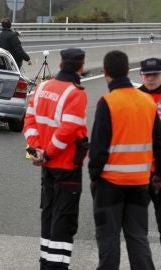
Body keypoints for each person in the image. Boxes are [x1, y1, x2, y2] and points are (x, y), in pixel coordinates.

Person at [88, 50, 161, 270]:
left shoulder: (108, 103)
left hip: (110, 183)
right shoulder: (147, 102)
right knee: (138, 238)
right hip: (140, 182)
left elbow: (98, 148)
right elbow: (158, 143)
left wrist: (94, 176)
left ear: (105, 73)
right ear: (129, 71)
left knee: (109, 239)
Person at [23, 48, 88, 269]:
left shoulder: (42, 88)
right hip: (66, 166)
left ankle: (45, 264)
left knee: (49, 217)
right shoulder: (75, 93)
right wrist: (49, 152)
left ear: (60, 64)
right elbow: (68, 130)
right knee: (64, 222)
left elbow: (29, 123)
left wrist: (38, 150)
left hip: (47, 167)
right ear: (81, 67)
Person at [138, 57, 161, 244]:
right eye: (147, 75)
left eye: (155, 75)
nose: (151, 79)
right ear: (141, 76)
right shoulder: (135, 97)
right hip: (140, 172)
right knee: (136, 226)